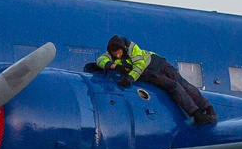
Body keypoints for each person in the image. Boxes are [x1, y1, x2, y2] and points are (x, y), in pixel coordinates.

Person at [85, 35, 217, 125]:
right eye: (115, 54)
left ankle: (208, 108)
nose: (118, 55)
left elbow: (139, 66)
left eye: (119, 52)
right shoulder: (112, 54)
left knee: (185, 85)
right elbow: (100, 60)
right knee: (174, 87)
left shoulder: (132, 48)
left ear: (123, 48)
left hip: (157, 65)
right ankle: (197, 114)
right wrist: (112, 65)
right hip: (149, 74)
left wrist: (129, 79)